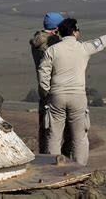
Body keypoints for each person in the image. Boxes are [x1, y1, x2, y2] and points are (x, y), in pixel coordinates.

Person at [39, 18, 106, 165]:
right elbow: (100, 42)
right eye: (77, 30)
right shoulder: (84, 47)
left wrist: (46, 91)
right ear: (74, 32)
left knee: (54, 136)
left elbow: (43, 72)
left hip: (57, 95)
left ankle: (52, 167)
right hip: (78, 97)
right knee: (79, 137)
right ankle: (80, 168)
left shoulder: (52, 50)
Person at [29, 12, 71, 155]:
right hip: (57, 89)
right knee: (61, 130)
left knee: (45, 128)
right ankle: (60, 158)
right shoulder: (51, 44)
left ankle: (44, 156)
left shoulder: (38, 40)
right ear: (56, 28)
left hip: (44, 90)